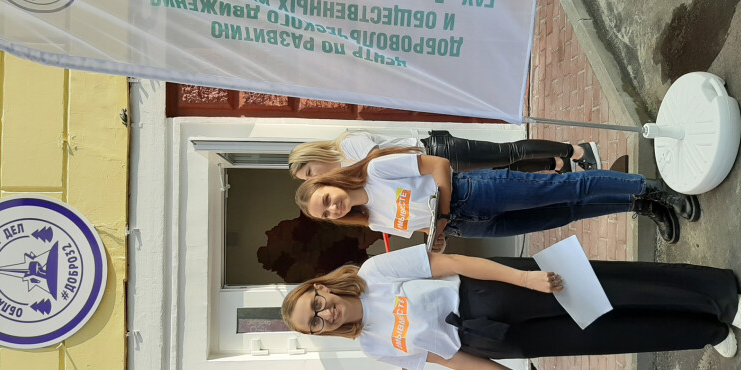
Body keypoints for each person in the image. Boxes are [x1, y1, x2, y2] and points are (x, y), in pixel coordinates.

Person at [281, 245, 741, 370]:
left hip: (494, 288)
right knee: (607, 334)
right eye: (315, 324)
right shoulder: (372, 346)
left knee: (613, 290)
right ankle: (707, 331)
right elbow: (450, 359)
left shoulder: (374, 273)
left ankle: (718, 297)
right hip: (497, 339)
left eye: (315, 305)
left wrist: (525, 278)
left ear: (321, 288)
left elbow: (454, 263)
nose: (324, 315)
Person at [295, 147, 700, 246]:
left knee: (566, 187)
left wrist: (442, 214)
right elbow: (423, 225)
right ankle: (639, 205)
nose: (333, 208)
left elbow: (438, 166)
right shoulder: (372, 220)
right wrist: (437, 238)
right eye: (326, 214)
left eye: (326, 199)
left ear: (330, 182)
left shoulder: (376, 170)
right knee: (566, 213)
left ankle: (654, 189)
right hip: (471, 226)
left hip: (475, 193)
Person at [288, 130, 602, 179]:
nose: (315, 178)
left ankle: (576, 151)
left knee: (507, 153)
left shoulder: (347, 146)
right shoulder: (346, 164)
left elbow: (381, 161)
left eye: (310, 172)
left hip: (437, 151)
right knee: (505, 166)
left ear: (313, 156)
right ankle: (556, 163)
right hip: (436, 165)